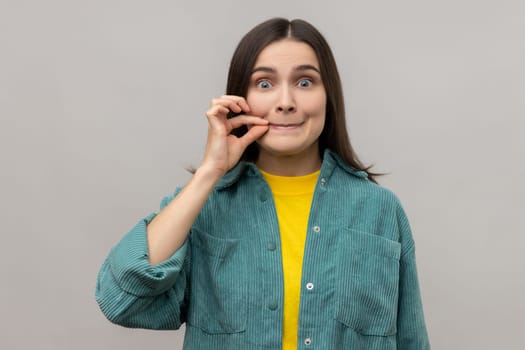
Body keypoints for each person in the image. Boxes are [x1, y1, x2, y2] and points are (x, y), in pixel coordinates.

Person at [95, 17, 430, 349]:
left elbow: (411, 341)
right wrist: (210, 171)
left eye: (305, 82)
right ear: (240, 98)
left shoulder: (380, 211)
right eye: (265, 84)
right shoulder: (205, 205)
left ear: (329, 95)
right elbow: (121, 299)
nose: (285, 102)